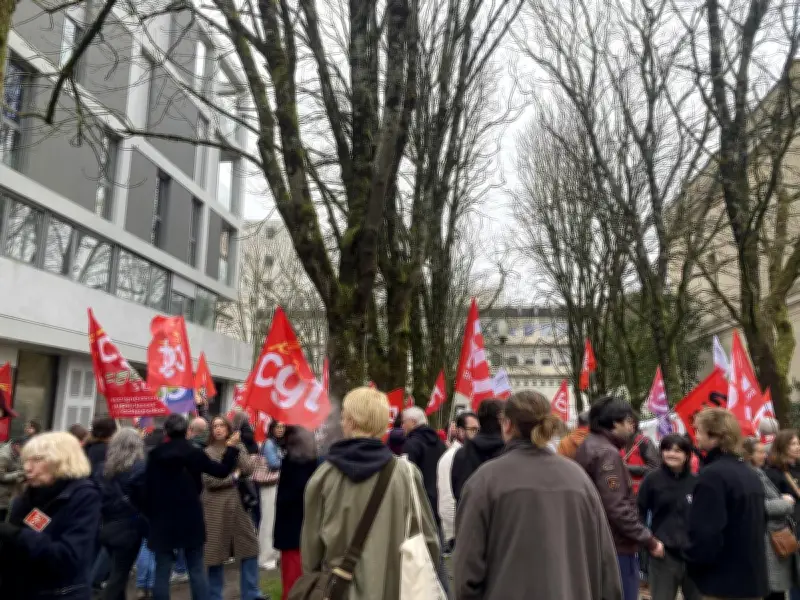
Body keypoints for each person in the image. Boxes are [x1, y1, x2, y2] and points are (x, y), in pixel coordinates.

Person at [453, 390, 621, 599]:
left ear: (506, 424)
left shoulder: (485, 481)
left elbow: (466, 574)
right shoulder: (579, 479)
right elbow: (607, 569)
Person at [301, 387, 439, 600]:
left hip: (339, 591)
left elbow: (311, 553)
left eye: (344, 417)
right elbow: (428, 541)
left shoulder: (323, 477)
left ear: (351, 421)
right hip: (395, 590)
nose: (341, 422)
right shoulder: (407, 475)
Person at [143, 413, 241, 600]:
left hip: (163, 516)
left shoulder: (155, 454)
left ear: (166, 431)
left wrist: (149, 513)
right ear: (187, 430)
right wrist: (230, 449)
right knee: (196, 566)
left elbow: (146, 488)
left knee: (162, 568)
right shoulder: (194, 451)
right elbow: (220, 472)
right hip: (190, 515)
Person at [576, 395, 663, 600]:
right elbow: (616, 507)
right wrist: (649, 540)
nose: (632, 427)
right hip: (615, 547)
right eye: (629, 422)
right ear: (616, 423)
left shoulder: (591, 445)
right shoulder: (607, 454)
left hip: (600, 541)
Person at [0, 431, 101, 599]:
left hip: (58, 593)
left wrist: (16, 534)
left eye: (37, 460)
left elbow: (68, 557)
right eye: (26, 460)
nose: (27, 468)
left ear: (61, 461)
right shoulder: (28, 494)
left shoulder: (83, 497)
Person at [685, 408, 768, 599]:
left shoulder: (713, 475)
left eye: (698, 430)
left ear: (714, 435)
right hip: (751, 580)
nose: (695, 436)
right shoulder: (749, 472)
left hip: (723, 584)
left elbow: (705, 533)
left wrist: (693, 564)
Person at [201, 415, 263, 600]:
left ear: (228, 429)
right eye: (215, 426)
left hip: (237, 505)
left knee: (250, 547)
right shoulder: (207, 452)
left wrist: (237, 448)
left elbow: (249, 469)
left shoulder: (238, 447)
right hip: (215, 506)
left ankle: (251, 593)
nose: (218, 429)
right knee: (215, 554)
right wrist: (234, 478)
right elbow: (210, 480)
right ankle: (214, 596)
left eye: (222, 425)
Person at [636, 434, 700, 600]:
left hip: (694, 556)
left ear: (687, 454)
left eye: (678, 450)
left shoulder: (697, 482)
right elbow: (638, 513)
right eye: (667, 449)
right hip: (663, 555)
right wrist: (649, 541)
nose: (672, 454)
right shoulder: (652, 479)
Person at [401, 405, 450, 594]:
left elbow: (407, 477)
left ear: (413, 423)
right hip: (436, 503)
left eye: (404, 422)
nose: (402, 426)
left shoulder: (411, 445)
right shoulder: (439, 443)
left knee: (423, 559)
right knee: (436, 556)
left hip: (419, 505)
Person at [743, 437, 800, 600]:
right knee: (774, 590)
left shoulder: (759, 473)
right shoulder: (755, 475)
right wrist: (785, 503)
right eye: (760, 452)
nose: (764, 455)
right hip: (769, 537)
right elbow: (758, 505)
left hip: (775, 536)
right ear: (749, 455)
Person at [99, 428, 147, 600]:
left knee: (119, 572)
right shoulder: (140, 468)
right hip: (129, 528)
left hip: (106, 525)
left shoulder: (102, 469)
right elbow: (144, 498)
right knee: (119, 575)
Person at [274, 426, 318, 600]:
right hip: (303, 526)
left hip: (292, 527)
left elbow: (292, 494)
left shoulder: (295, 461)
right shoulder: (309, 458)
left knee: (292, 579)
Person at [451, 399, 505, 504]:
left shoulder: (462, 453)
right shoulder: (511, 452)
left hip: (468, 516)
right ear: (502, 420)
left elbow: (457, 492)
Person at [437, 411, 478, 549]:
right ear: (460, 431)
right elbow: (447, 497)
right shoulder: (452, 456)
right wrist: (452, 533)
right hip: (457, 532)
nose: (477, 433)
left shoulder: (470, 454)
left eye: (478, 429)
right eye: (472, 429)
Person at [259, 419, 285, 571]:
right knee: (268, 520)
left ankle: (273, 554)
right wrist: (286, 459)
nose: (280, 429)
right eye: (278, 427)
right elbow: (274, 464)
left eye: (282, 427)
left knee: (274, 519)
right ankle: (266, 556)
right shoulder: (269, 444)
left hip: (276, 484)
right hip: (270, 484)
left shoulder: (278, 444)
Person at [622, 415, 660, 495]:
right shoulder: (616, 444)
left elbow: (654, 468)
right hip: (623, 494)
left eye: (630, 422)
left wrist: (626, 467)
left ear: (634, 424)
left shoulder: (644, 442)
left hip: (644, 493)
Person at [0, 438, 23, 522]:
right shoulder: (4, 456)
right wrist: (19, 473)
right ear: (16, 446)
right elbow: (1, 477)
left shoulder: (17, 453)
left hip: (9, 494)